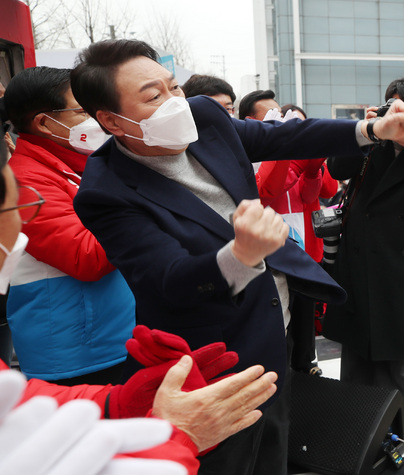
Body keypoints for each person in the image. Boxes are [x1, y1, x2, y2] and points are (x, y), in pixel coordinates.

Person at [70, 39, 404, 474]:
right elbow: (167, 280)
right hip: (221, 355)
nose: (175, 102)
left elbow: (284, 136)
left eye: (173, 86)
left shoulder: (203, 117)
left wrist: (373, 131)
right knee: (236, 457)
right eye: (153, 96)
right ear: (110, 119)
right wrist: (240, 254)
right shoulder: (106, 192)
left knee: (279, 442)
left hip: (281, 320)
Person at [0, 135, 277, 475]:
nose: (20, 225)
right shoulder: (88, 179)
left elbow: (16, 402)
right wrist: (179, 438)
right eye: (18, 207)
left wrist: (115, 402)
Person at [323, 76, 404, 407]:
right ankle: (355, 435)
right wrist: (367, 132)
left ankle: (393, 436)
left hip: (403, 275)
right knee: (355, 365)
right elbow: (338, 168)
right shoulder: (374, 141)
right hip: (361, 265)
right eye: (393, 108)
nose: (398, 118)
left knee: (396, 372)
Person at [2, 66, 134, 385]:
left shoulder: (74, 165)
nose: (97, 117)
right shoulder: (26, 181)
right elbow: (84, 257)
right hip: (76, 353)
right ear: (45, 122)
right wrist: (139, 204)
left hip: (109, 336)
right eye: (83, 110)